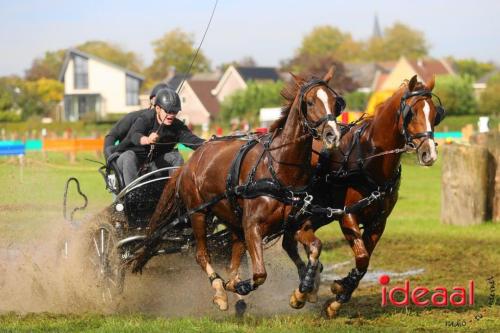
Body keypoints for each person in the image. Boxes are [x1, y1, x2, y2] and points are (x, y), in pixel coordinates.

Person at [115, 87, 205, 186]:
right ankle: (132, 195)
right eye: (168, 111)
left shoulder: (177, 126)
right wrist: (147, 139)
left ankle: (174, 192)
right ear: (158, 109)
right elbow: (134, 135)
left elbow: (193, 140)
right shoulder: (146, 118)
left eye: (174, 112)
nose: (171, 115)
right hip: (127, 162)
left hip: (152, 166)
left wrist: (210, 143)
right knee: (129, 156)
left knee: (176, 156)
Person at [103, 82, 170, 159]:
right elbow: (111, 136)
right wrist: (110, 159)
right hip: (128, 160)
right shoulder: (133, 117)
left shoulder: (171, 124)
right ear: (152, 100)